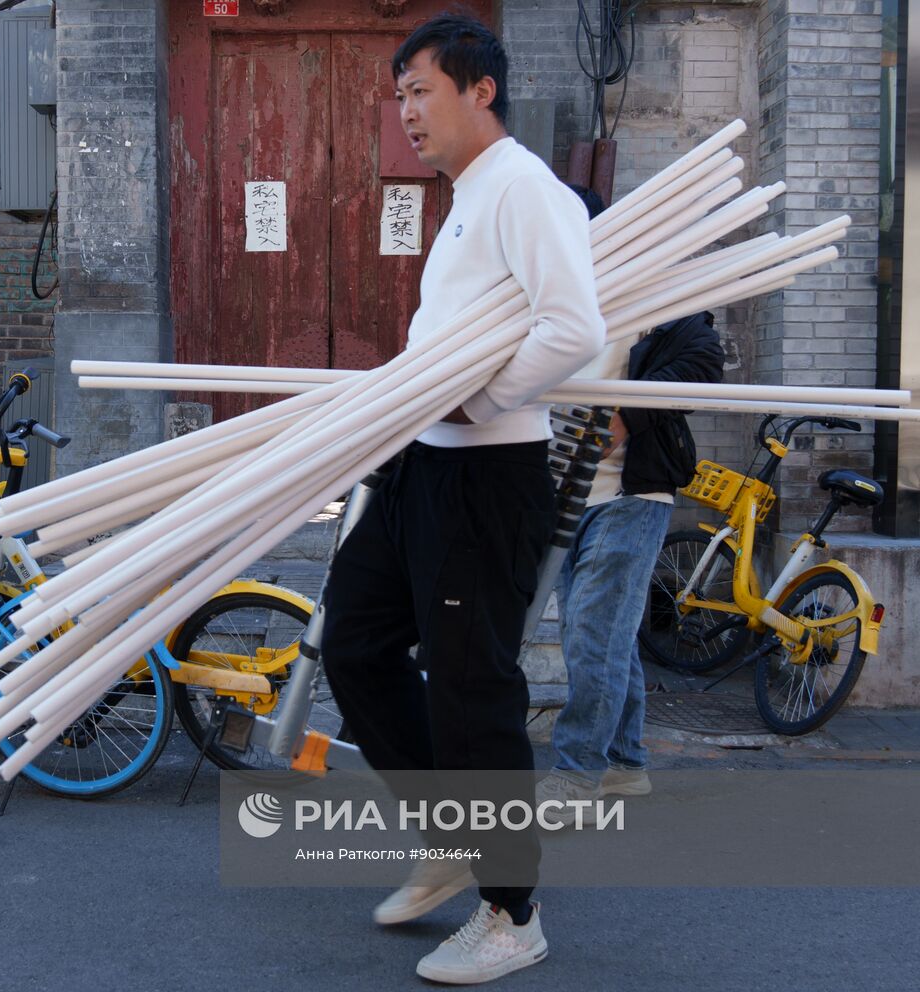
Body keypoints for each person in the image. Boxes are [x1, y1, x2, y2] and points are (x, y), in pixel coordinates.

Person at [319, 13, 605, 985]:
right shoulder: (465, 197)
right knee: (353, 642)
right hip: (418, 465)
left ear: (479, 90)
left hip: (485, 477)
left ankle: (510, 910)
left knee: (472, 688)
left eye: (419, 91)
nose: (405, 112)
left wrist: (475, 395)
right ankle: (452, 832)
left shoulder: (523, 188)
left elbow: (575, 330)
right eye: (397, 95)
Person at [537, 186, 726, 818]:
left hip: (630, 495)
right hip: (566, 493)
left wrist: (628, 410)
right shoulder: (556, 299)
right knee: (604, 634)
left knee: (593, 633)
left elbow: (704, 362)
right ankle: (624, 762)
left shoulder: (657, 302)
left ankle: (577, 773)